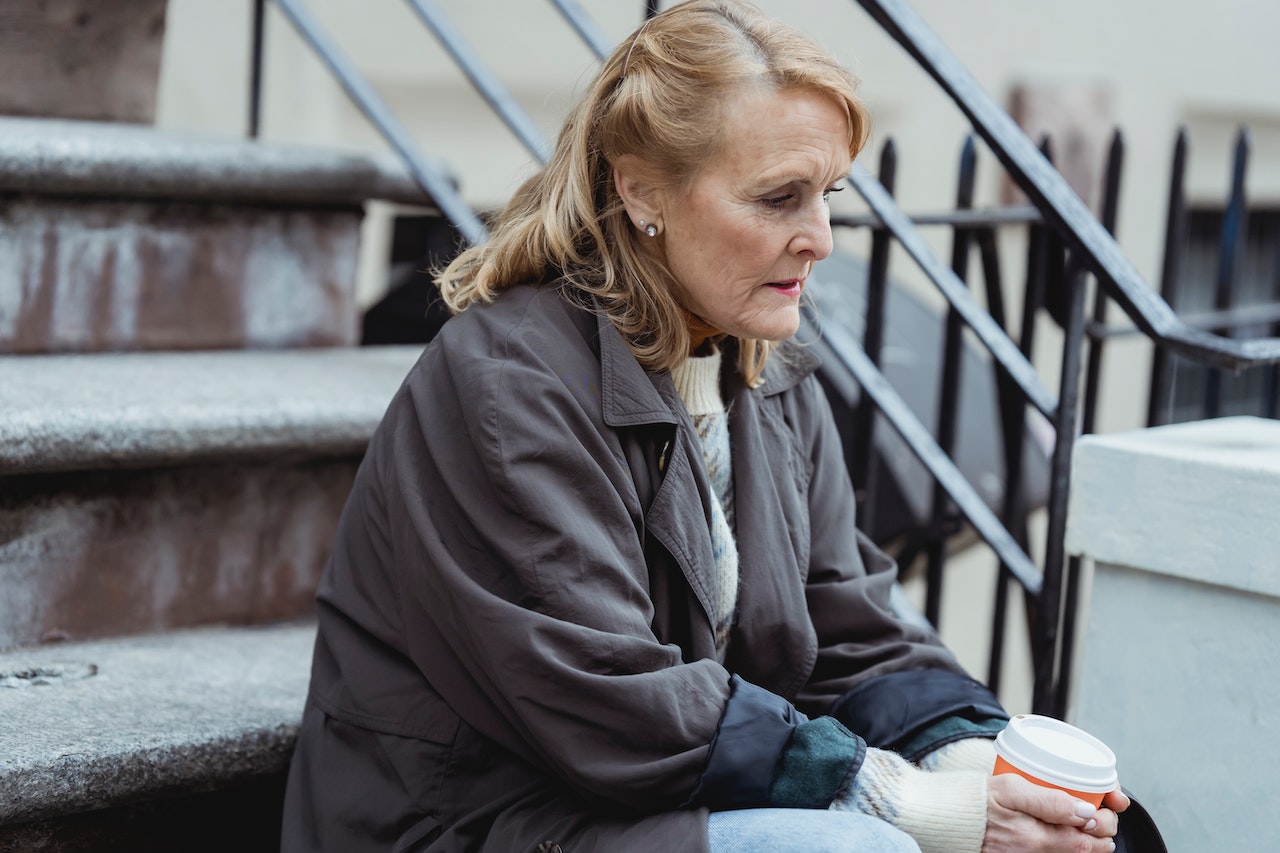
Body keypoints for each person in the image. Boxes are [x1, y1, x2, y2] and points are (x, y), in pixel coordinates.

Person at [281, 1, 1129, 850]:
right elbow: (604, 694)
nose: (821, 239)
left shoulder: (764, 370)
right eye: (778, 198)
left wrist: (970, 756)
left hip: (639, 805)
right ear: (642, 188)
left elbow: (849, 624)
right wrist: (904, 803)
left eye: (826, 194)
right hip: (479, 819)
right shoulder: (507, 388)